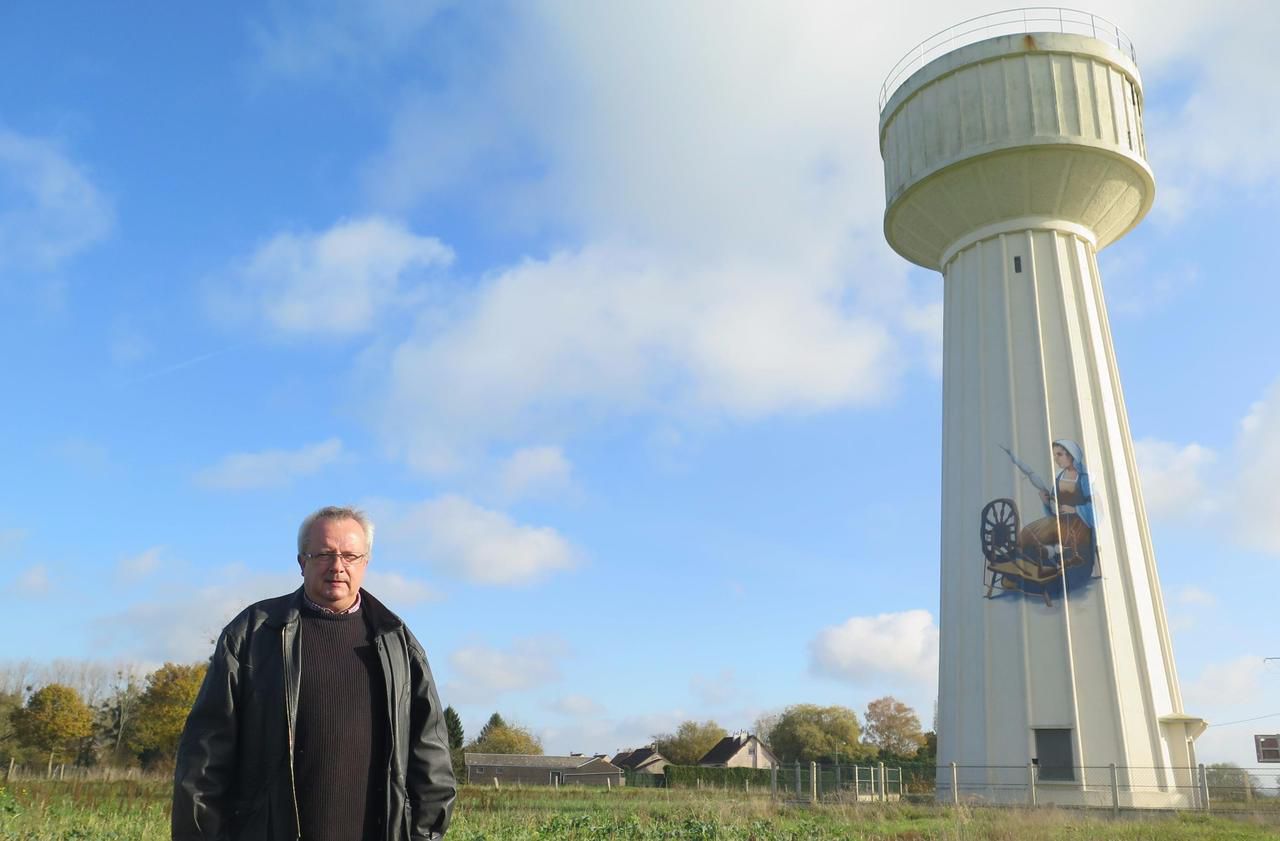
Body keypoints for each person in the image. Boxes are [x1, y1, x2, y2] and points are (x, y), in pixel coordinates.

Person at [173, 506, 456, 840]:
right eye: (324, 554)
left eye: (350, 555)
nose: (338, 566)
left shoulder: (398, 644)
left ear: (366, 562)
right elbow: (204, 760)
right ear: (301, 561)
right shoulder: (253, 634)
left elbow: (431, 765)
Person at [1016, 439, 1093, 568]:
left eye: (1060, 454)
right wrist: (1046, 502)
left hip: (1078, 525)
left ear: (1071, 455)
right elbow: (1054, 509)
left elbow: (1094, 508)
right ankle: (1033, 566)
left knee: (1043, 534)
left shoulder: (1083, 479)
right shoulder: (1058, 478)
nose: (1056, 459)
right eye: (1054, 455)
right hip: (1060, 521)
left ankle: (1051, 558)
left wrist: (1075, 510)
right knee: (1027, 532)